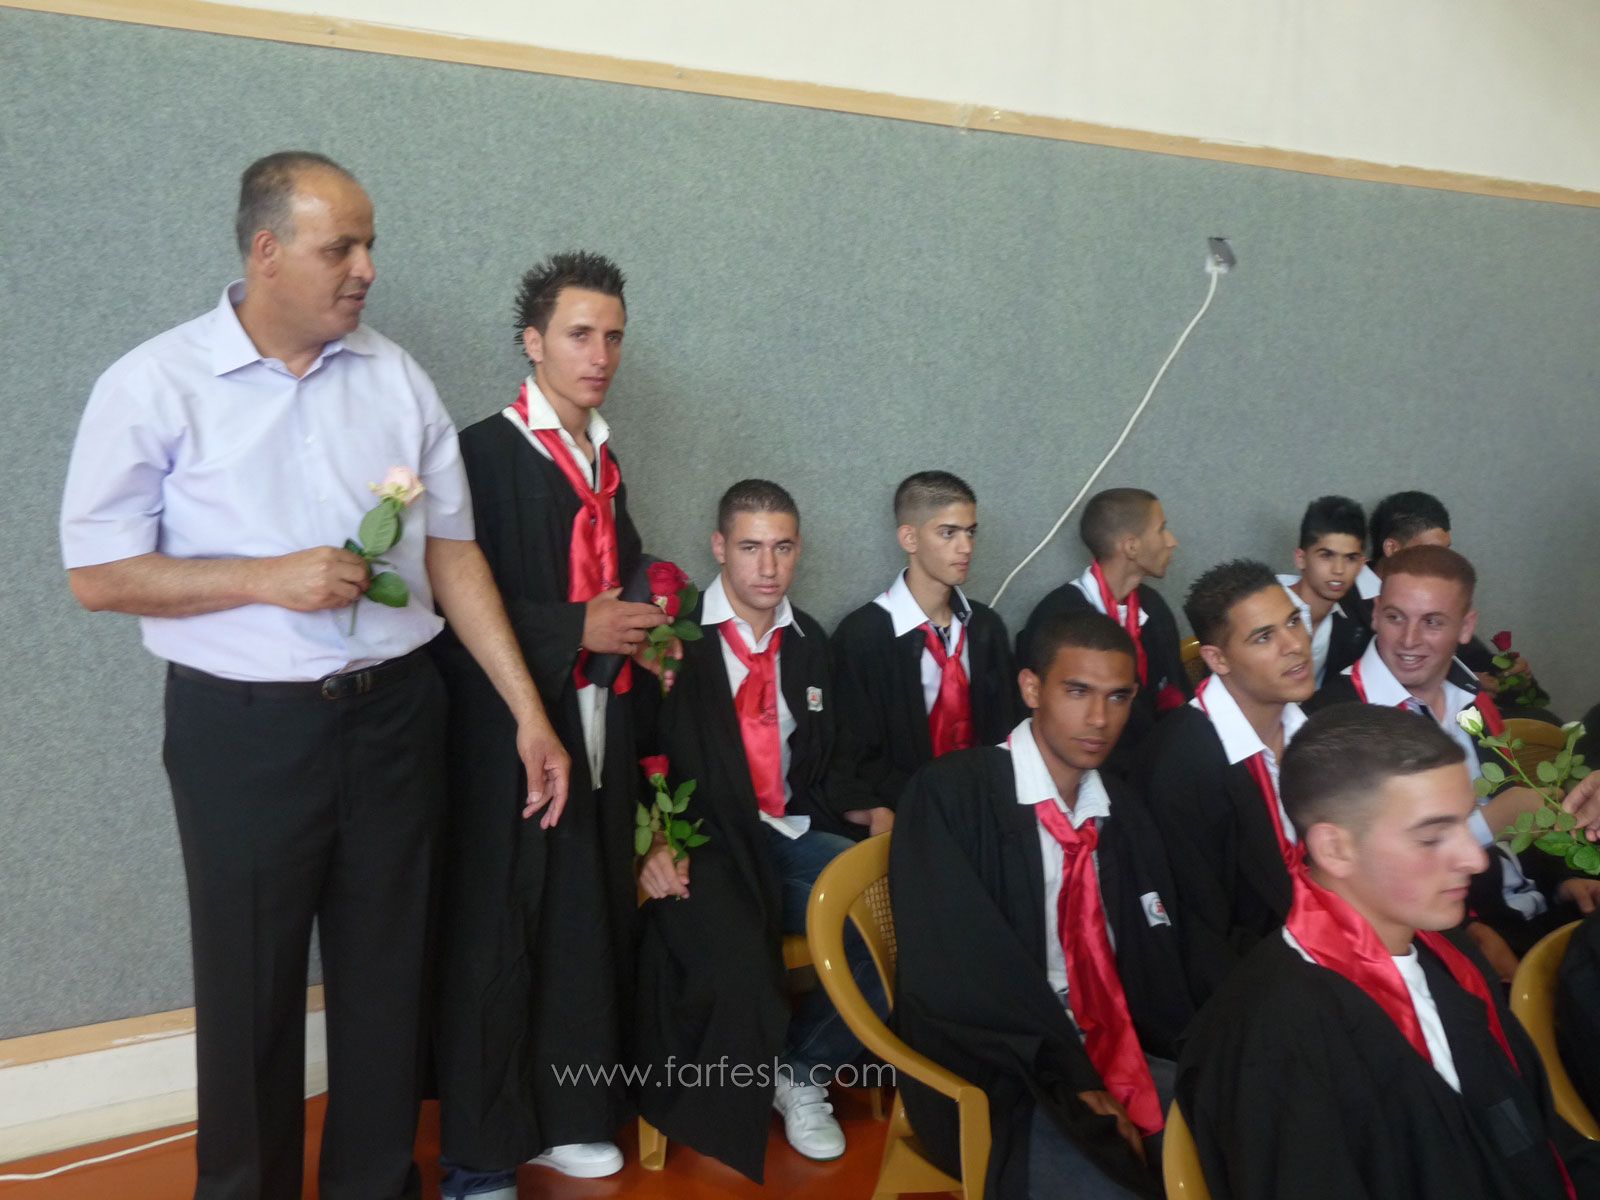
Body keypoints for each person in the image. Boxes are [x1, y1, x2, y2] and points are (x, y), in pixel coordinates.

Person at [59, 152, 568, 1200]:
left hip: (396, 721)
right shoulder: (153, 384)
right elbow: (99, 575)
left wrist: (528, 710)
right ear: (266, 251)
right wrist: (264, 578)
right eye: (342, 247)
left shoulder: (398, 379)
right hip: (242, 733)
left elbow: (452, 552)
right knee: (248, 989)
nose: (367, 268)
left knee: (388, 984)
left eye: (369, 244)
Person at [430, 253, 669, 1198]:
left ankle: (568, 1117)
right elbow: (450, 602)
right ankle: (481, 1152)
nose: (599, 354)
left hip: (597, 721)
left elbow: (620, 571)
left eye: (613, 337)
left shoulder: (605, 461)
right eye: (578, 334)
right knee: (499, 931)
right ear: (532, 343)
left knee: (581, 923)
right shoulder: (481, 454)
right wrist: (578, 627)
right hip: (507, 734)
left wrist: (648, 626)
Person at [1178, 704, 1600, 1200]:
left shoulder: (1450, 958)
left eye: (1466, 823)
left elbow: (1533, 1140)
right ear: (1335, 848)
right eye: (1431, 837)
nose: (1474, 857)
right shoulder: (1272, 1042)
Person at [631, 480, 885, 1181]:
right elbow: (633, 749)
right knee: (734, 952)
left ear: (799, 550)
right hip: (705, 839)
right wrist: (651, 842)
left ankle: (801, 1069)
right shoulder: (671, 637)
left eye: (782, 548)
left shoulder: (809, 644)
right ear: (719, 547)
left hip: (789, 832)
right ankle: (718, 1101)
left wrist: (872, 810)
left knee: (886, 908)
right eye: (750, 547)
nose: (767, 567)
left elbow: (827, 759)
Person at [891, 610, 1193, 1200]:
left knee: (1245, 1128)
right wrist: (1070, 1077)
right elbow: (961, 971)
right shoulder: (951, 795)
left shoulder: (1124, 814)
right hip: (999, 1072)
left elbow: (1157, 957)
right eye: (1077, 691)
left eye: (1118, 697)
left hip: (1116, 1045)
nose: (1099, 718)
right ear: (1032, 688)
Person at [1306, 545, 1598, 965]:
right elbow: (1359, 873)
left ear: (1465, 627)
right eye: (1395, 617)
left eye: (1432, 622)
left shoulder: (1470, 697)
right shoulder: (1338, 720)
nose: (1409, 640)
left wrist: (1563, 882)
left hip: (1534, 908)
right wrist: (1489, 824)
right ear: (1375, 614)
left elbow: (1521, 824)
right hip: (1450, 936)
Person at [1138, 559, 1313, 1001]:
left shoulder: (1313, 731)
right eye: (1264, 637)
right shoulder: (1180, 768)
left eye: (1294, 621)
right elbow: (1201, 934)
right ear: (1217, 659)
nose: (1295, 645)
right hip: (1259, 985)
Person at [831, 470, 1017, 833]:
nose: (966, 547)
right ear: (909, 538)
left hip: (986, 807)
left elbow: (1005, 728)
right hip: (909, 811)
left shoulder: (985, 627)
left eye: (970, 532)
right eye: (948, 533)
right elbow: (853, 753)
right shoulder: (863, 636)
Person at [1018, 488, 1190, 775]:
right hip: (1086, 768)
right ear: (1131, 547)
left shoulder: (1153, 607)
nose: (1172, 541)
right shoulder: (1059, 614)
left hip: (1157, 763)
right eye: (1162, 530)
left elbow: (1174, 689)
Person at [1277, 495, 1371, 686]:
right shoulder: (1261, 607)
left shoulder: (1353, 622)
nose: (1339, 570)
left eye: (1350, 558)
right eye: (1326, 555)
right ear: (1301, 558)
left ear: (1361, 565)